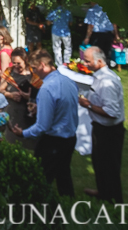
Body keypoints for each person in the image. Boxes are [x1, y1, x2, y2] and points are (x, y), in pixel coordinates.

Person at [11, 50, 80, 197]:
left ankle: (39, 211)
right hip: (70, 138)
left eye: (34, 68)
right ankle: (69, 204)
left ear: (43, 65)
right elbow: (64, 106)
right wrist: (40, 108)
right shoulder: (69, 82)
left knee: (41, 177)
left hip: (53, 141)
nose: (33, 72)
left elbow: (42, 126)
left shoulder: (46, 88)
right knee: (63, 173)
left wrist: (23, 133)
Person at [79, 46, 125, 203]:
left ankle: (116, 202)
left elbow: (112, 112)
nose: (84, 63)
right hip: (100, 128)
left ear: (99, 61)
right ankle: (103, 192)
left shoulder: (107, 82)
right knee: (99, 164)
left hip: (109, 132)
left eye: (87, 61)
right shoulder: (99, 77)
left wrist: (89, 105)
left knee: (110, 168)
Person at [0, 48, 38, 146]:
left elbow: (41, 96)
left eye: (18, 63)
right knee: (10, 141)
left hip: (28, 114)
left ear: (25, 60)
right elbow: (1, 89)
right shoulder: (9, 72)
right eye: (14, 63)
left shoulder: (34, 75)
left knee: (27, 144)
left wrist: (29, 97)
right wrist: (10, 95)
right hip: (11, 112)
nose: (16, 66)